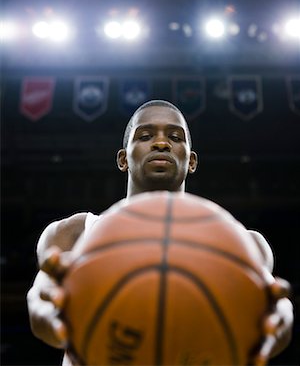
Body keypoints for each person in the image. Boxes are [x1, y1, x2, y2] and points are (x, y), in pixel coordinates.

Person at [27, 99, 293, 366]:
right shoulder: (74, 233)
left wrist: (279, 318)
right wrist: (44, 308)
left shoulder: (244, 244)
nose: (161, 143)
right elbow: (42, 294)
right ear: (123, 159)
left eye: (175, 137)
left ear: (191, 161)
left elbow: (274, 312)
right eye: (145, 136)